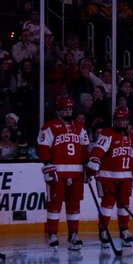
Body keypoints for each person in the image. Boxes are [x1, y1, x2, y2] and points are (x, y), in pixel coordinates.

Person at [37, 95, 89, 250]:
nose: (68, 112)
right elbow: (43, 147)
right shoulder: (49, 127)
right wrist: (48, 163)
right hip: (57, 173)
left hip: (76, 173)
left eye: (70, 110)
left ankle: (73, 234)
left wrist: (87, 164)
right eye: (65, 110)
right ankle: (52, 233)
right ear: (58, 111)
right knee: (55, 203)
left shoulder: (80, 127)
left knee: (74, 204)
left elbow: (84, 148)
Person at [87, 105, 133, 249]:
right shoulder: (107, 134)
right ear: (114, 120)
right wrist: (94, 161)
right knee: (108, 204)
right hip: (107, 175)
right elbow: (98, 149)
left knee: (124, 204)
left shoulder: (132, 136)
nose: (121, 123)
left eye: (123, 120)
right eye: (118, 120)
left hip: (125, 176)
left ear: (127, 121)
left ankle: (124, 230)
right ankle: (103, 230)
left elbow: (132, 156)